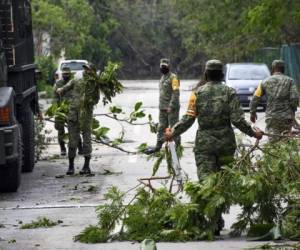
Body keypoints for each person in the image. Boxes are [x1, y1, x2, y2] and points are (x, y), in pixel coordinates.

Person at [164, 59, 264, 235]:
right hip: (226, 144)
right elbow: (238, 120)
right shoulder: (229, 92)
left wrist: (173, 132)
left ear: (206, 74)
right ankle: (216, 218)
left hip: (205, 145)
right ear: (222, 74)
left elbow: (188, 119)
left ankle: (214, 220)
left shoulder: (197, 94)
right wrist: (253, 133)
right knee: (222, 181)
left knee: (206, 182)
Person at [56, 64, 96, 175]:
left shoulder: (94, 84)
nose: (86, 71)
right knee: (72, 140)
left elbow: (96, 100)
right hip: (73, 114)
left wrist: (88, 99)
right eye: (85, 69)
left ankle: (86, 166)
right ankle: (71, 167)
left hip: (86, 115)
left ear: (92, 71)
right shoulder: (77, 80)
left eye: (89, 69)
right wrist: (61, 90)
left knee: (87, 139)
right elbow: (66, 87)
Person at [250, 60, 299, 142]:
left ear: (272, 69)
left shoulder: (264, 82)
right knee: (285, 140)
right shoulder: (290, 81)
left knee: (273, 142)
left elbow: (255, 98)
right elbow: (295, 98)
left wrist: (252, 113)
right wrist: (292, 111)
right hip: (286, 118)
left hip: (271, 118)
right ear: (283, 69)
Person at [144, 58, 181, 154]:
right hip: (162, 108)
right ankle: (158, 146)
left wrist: (171, 106)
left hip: (171, 108)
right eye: (162, 66)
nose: (163, 68)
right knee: (161, 127)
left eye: (165, 66)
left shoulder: (173, 78)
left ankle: (177, 147)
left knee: (174, 128)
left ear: (169, 66)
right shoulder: (162, 78)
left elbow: (176, 93)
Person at [53, 67, 83, 156]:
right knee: (60, 129)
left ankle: (80, 147)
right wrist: (56, 110)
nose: (66, 75)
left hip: (73, 109)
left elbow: (79, 95)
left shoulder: (74, 83)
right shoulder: (58, 84)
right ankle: (62, 148)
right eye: (64, 73)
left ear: (70, 73)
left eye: (67, 73)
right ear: (62, 74)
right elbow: (55, 98)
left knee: (75, 129)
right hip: (61, 109)